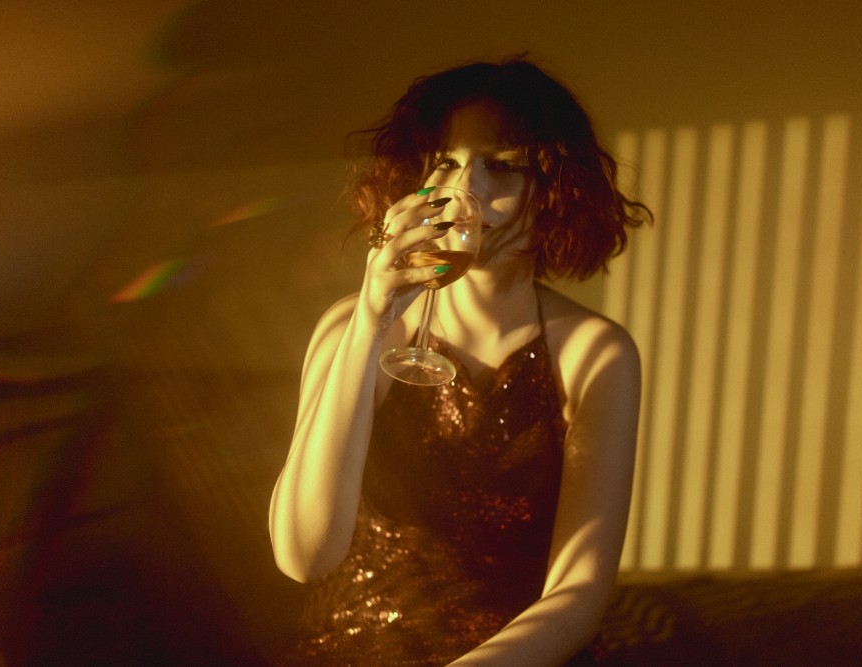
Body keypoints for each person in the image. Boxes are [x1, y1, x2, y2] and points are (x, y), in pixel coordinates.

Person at [269, 56, 650, 666]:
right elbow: (303, 557)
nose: (463, 189)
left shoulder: (594, 352)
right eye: (445, 162)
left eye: (501, 165)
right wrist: (370, 323)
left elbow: (578, 596)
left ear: (556, 190)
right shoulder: (350, 325)